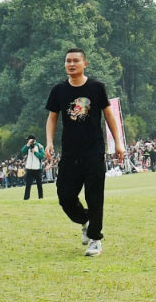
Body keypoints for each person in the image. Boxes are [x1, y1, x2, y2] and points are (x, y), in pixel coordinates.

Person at [45, 47, 124, 257]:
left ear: (84, 64)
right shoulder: (58, 91)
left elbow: (109, 116)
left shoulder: (97, 88)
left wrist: (118, 143)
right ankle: (86, 220)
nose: (71, 64)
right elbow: (52, 117)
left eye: (76, 61)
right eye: (68, 61)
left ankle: (95, 239)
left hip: (94, 151)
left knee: (94, 195)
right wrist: (49, 142)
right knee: (65, 194)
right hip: (70, 152)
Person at [20, 135, 46, 199]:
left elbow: (42, 156)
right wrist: (27, 144)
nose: (27, 141)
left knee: (39, 184)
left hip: (37, 168)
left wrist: (35, 152)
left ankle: (40, 197)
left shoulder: (39, 146)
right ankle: (26, 198)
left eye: (28, 140)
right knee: (28, 184)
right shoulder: (28, 146)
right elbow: (23, 151)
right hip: (29, 168)